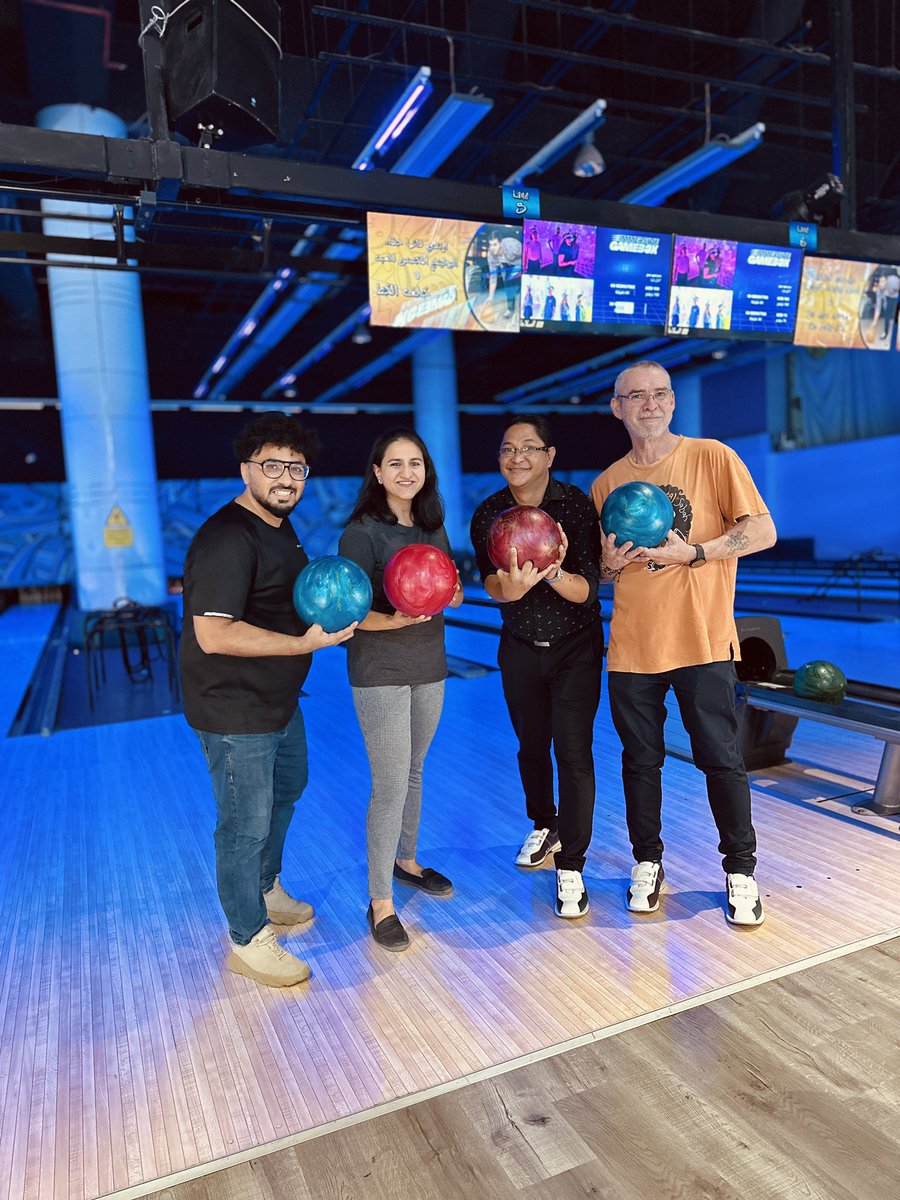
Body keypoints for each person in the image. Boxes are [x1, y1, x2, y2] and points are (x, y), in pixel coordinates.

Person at [590, 360, 777, 927]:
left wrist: (693, 553)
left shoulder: (712, 456)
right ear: (616, 407)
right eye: (636, 396)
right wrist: (605, 564)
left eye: (660, 394)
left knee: (721, 760)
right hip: (631, 649)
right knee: (639, 764)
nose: (650, 403)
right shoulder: (606, 484)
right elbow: (605, 574)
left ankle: (740, 872)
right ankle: (648, 864)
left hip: (700, 641)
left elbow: (763, 532)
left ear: (672, 403)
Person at [180, 413, 356, 988]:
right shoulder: (227, 537)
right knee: (243, 826)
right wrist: (300, 644)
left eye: (296, 468)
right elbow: (215, 633)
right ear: (246, 469)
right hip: (234, 710)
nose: (286, 478)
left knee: (288, 790)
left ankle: (264, 885)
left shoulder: (281, 527)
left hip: (278, 700)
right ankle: (248, 939)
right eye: (273, 466)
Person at [470, 416, 603, 919]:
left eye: (529, 448)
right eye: (508, 448)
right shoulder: (489, 514)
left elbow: (589, 589)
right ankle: (544, 824)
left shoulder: (576, 509)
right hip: (520, 644)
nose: (517, 457)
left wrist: (554, 575)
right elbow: (492, 584)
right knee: (531, 746)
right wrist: (513, 588)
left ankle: (571, 864)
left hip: (575, 645)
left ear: (550, 456)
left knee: (573, 752)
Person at [339, 429, 463, 951]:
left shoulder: (433, 528)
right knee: (389, 781)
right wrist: (401, 618)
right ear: (377, 472)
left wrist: (452, 592)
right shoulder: (361, 532)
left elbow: (448, 589)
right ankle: (380, 901)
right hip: (380, 670)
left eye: (416, 462)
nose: (406, 472)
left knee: (414, 769)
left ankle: (407, 860)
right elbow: (349, 612)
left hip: (430, 664)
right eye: (395, 464)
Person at [485, 230, 522, 321]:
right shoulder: (490, 255)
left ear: (500, 243)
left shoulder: (512, 245)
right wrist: (490, 297)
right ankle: (510, 309)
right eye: (490, 245)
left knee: (517, 286)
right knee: (508, 286)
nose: (492, 248)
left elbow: (527, 254)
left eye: (495, 244)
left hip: (520, 264)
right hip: (506, 267)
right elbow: (493, 277)